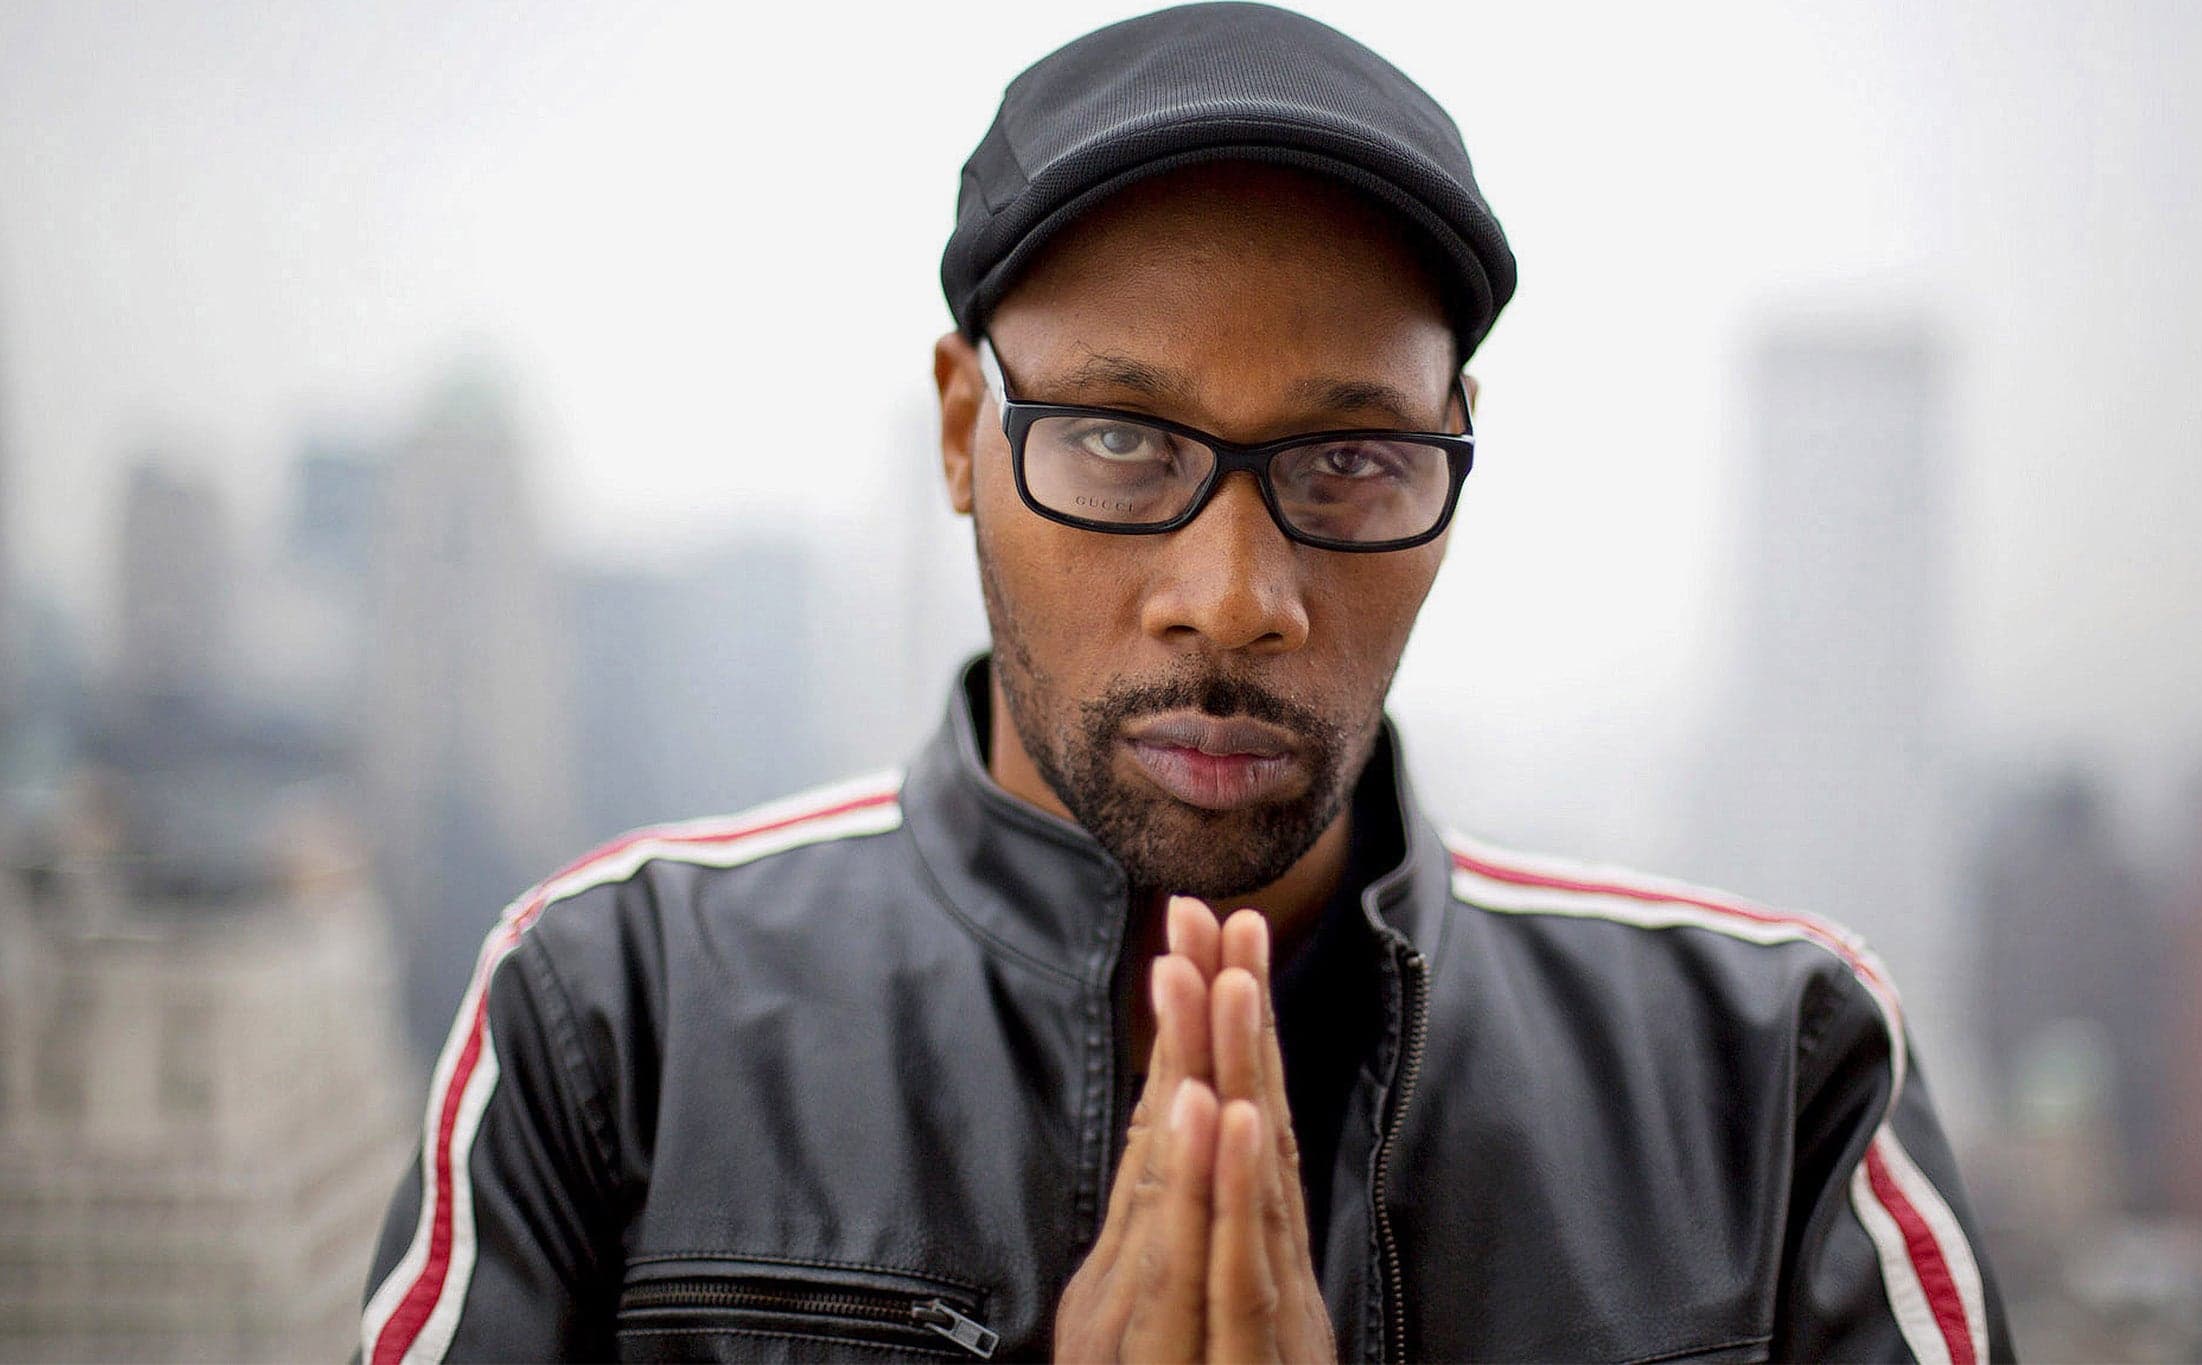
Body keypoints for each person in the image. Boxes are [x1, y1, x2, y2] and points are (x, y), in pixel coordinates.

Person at [358, 4, 2012, 1361]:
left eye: (1349, 460)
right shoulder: (614, 1021)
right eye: (1119, 439)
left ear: (1455, 459)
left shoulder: (1775, 1076)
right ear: (961, 429)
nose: (1230, 598)